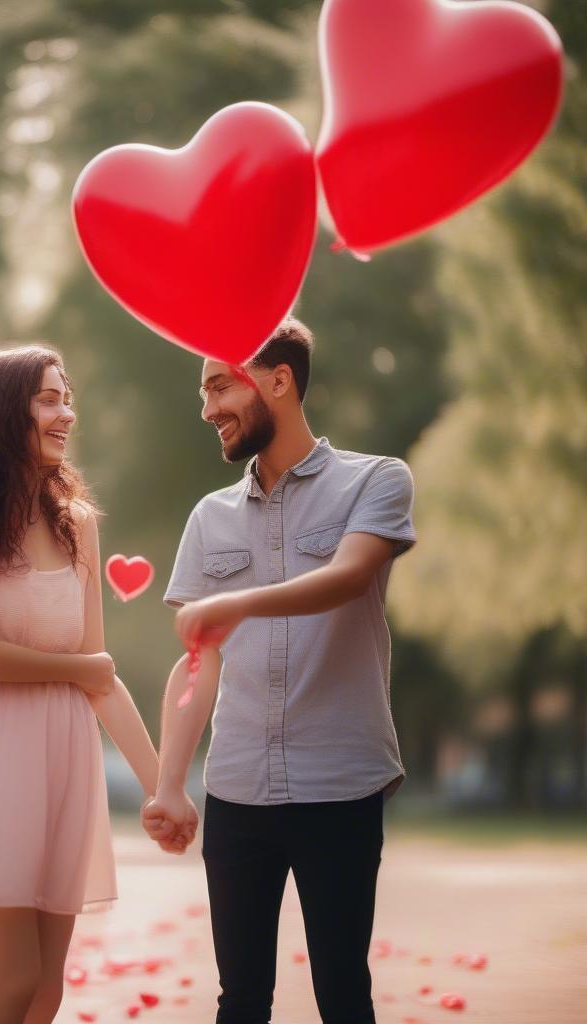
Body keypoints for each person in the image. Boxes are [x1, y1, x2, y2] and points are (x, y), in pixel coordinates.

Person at [142, 316, 417, 1024]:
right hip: (236, 792)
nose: (206, 409)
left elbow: (349, 577)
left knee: (342, 997)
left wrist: (232, 605)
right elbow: (197, 664)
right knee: (240, 1003)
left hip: (340, 786)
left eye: (217, 386)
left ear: (278, 380)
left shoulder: (376, 481)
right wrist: (170, 784)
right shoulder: (210, 518)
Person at [0, 343, 188, 1024]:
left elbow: (102, 674)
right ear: (5, 409)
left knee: (47, 992)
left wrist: (165, 789)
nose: (65, 412)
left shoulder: (79, 524)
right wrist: (75, 670)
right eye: (47, 398)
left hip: (66, 763)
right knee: (14, 980)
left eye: (67, 397)